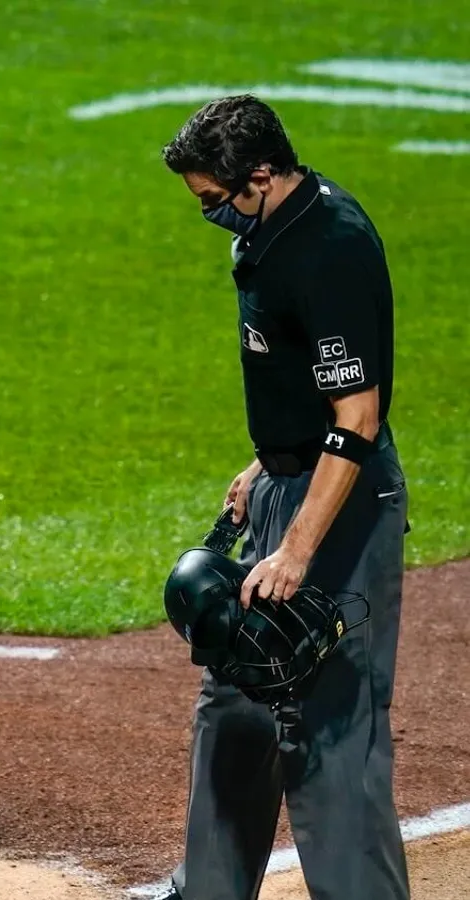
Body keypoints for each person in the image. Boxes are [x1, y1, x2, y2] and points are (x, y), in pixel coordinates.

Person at [156, 96, 409, 900]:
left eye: (212, 200)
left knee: (330, 730)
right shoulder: (275, 229)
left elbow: (359, 416)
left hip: (343, 508)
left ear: (260, 176)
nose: (210, 216)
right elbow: (305, 389)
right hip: (292, 481)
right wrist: (268, 463)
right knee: (235, 696)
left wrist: (298, 546)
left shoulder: (328, 249)